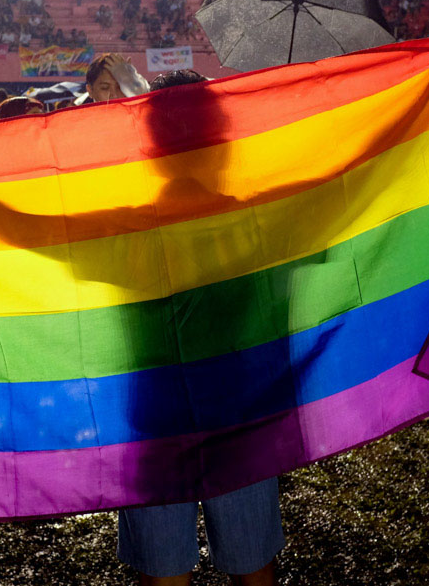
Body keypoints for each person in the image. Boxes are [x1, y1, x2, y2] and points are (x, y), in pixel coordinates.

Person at [116, 69, 284, 586]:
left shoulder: (125, 232)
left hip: (153, 416)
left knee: (164, 571)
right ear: (218, 138)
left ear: (150, 143)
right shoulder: (251, 222)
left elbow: (20, 236)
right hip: (238, 410)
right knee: (251, 565)